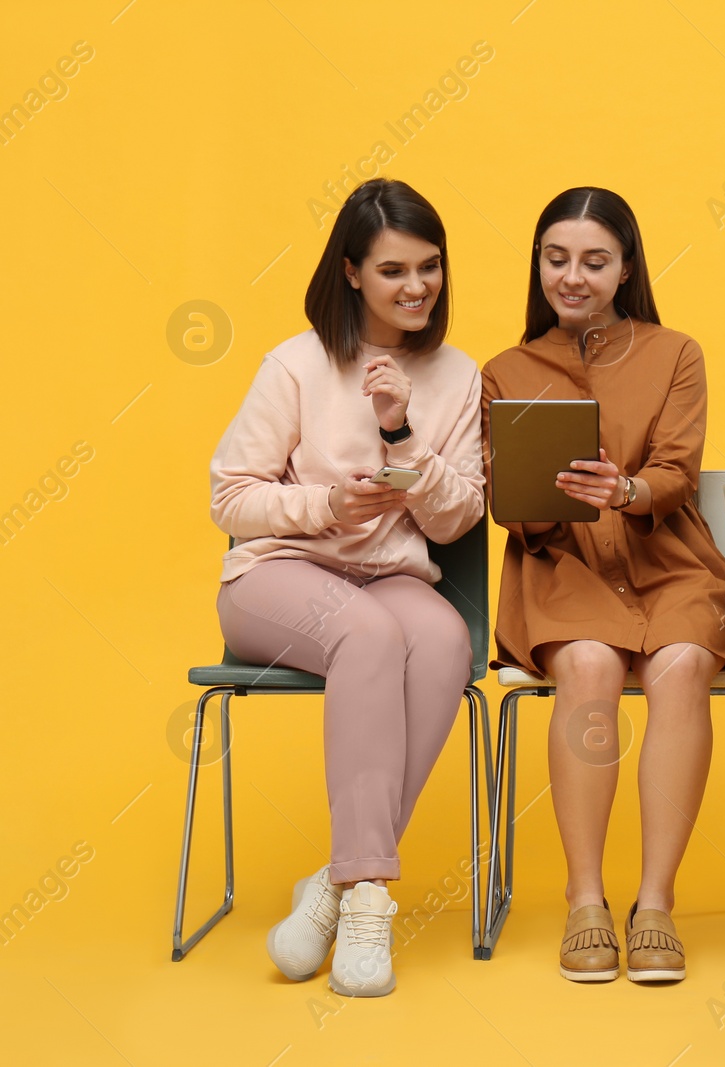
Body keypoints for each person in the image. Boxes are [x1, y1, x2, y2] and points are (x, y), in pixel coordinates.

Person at [209, 178, 485, 997]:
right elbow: (231, 498)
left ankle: (338, 881)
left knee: (442, 638)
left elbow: (458, 518)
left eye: (429, 268)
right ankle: (370, 901)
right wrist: (324, 504)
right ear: (352, 272)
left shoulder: (456, 374)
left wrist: (403, 431)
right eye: (395, 270)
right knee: (366, 632)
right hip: (277, 574)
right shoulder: (295, 365)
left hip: (389, 575)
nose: (417, 288)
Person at [481, 187, 725, 984]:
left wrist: (629, 491)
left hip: (668, 558)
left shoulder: (676, 353)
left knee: (678, 669)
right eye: (556, 258)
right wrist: (537, 499)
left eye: (594, 261)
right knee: (590, 668)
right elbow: (506, 504)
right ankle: (585, 903)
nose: (573, 276)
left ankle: (656, 905)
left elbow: (677, 471)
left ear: (626, 267)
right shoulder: (504, 370)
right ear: (537, 264)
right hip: (561, 563)